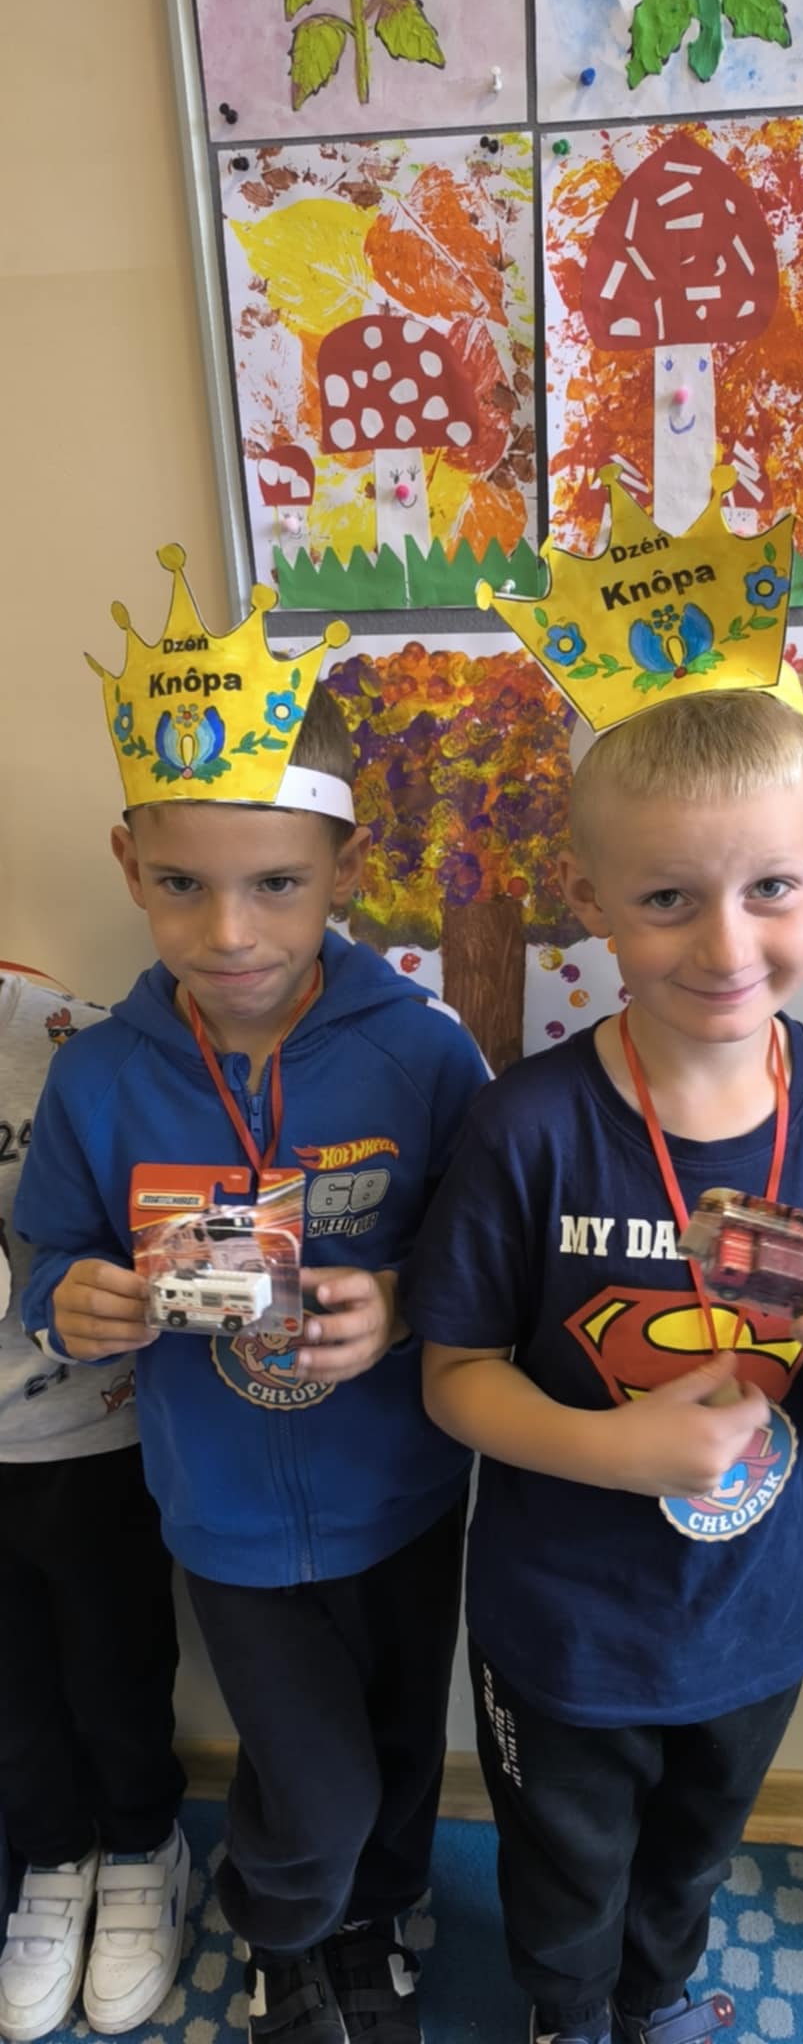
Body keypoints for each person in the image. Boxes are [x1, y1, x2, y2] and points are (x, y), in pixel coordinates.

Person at [15, 549, 487, 2044]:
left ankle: (374, 1917)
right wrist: (72, 1303)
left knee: (396, 1747)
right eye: (183, 884)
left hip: (406, 1490)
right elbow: (46, 1252)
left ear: (344, 866)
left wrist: (400, 1299)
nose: (229, 932)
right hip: (218, 1508)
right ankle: (285, 1934)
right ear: (127, 864)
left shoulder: (422, 1050)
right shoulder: (100, 1074)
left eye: (275, 882)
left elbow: (484, 1256)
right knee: (309, 1775)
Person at [405, 683, 803, 2044]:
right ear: (589, 897)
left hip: (764, 1609)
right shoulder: (523, 1125)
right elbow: (451, 1375)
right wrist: (611, 1447)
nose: (725, 943)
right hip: (561, 1623)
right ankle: (568, 2012)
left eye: (768, 888)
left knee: (692, 1853)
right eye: (665, 899)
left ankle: (652, 1995)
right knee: (562, 1867)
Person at [0, 966, 186, 2043]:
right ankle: (51, 1855)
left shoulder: (69, 1038)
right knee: (12, 1693)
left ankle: (141, 1843)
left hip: (84, 1432)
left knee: (116, 1670)